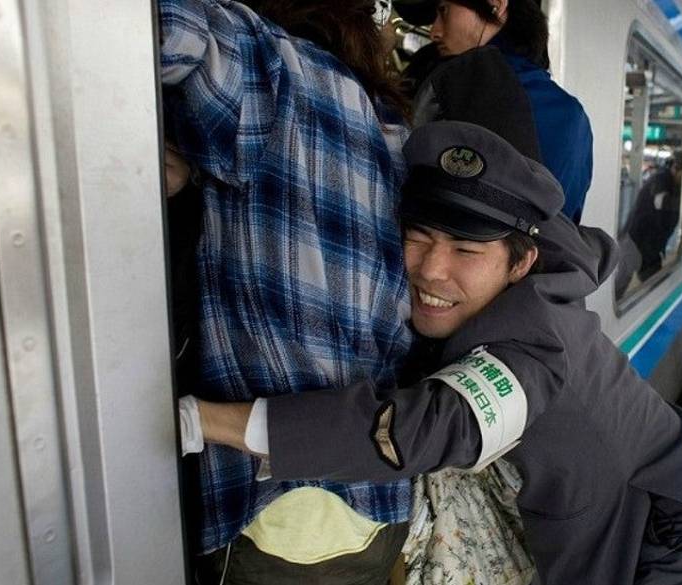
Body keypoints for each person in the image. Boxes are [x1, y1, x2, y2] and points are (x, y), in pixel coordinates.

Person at [181, 120, 682, 585]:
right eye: (417, 237)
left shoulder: (534, 348)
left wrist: (210, 420)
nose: (432, 270)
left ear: (521, 262)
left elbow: (430, 427)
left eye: (466, 249)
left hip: (669, 525)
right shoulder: (533, 265)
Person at [161, 0, 415, 582]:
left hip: (276, 504)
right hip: (377, 503)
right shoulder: (393, 132)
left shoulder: (267, 68)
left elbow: (153, 28)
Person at [412, 0, 594, 223]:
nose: (434, 32)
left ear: (495, 5)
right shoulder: (575, 115)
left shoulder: (458, 95)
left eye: (444, 11)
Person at [624, 152, 682, 282]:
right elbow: (659, 202)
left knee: (650, 279)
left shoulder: (675, 183)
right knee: (642, 280)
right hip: (641, 239)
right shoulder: (662, 177)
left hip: (651, 243)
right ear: (677, 168)